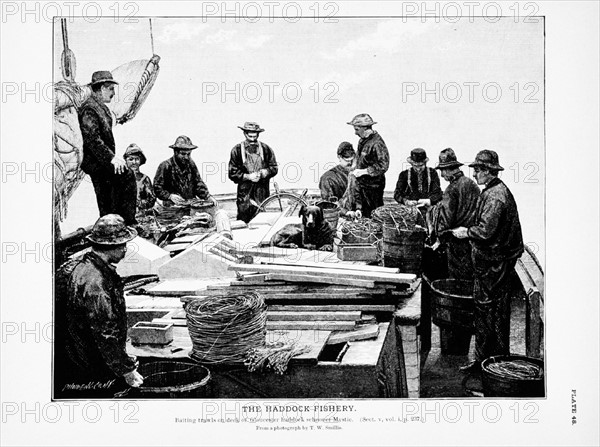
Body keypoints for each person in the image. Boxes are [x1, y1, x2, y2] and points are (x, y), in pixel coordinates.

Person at [55, 214, 144, 398]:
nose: (126, 249)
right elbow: (106, 331)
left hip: (75, 361)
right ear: (111, 246)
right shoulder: (96, 282)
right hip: (88, 368)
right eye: (123, 244)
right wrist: (126, 370)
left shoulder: (81, 266)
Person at [452, 150, 524, 373]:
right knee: (490, 313)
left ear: (488, 171)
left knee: (488, 313)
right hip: (493, 264)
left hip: (494, 266)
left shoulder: (495, 197)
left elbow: (485, 232)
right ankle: (488, 361)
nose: (474, 175)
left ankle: (490, 364)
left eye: (477, 170)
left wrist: (466, 232)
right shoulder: (493, 191)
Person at [78, 71, 137, 225]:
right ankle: (123, 224)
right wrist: (111, 158)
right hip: (97, 163)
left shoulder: (101, 108)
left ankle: (120, 224)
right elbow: (92, 140)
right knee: (121, 182)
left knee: (112, 193)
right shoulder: (89, 109)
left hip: (103, 162)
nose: (113, 93)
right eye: (110, 88)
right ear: (102, 88)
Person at [427, 148, 480, 279]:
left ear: (448, 169)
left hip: (456, 244)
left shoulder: (451, 190)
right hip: (473, 241)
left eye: (442, 171)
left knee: (456, 278)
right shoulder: (471, 184)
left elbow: (445, 220)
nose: (442, 175)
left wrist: (437, 237)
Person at [228, 122, 279, 223]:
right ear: (245, 134)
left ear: (258, 134)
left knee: (262, 219)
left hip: (262, 192)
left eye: (254, 136)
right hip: (245, 194)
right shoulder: (237, 150)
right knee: (243, 221)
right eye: (249, 136)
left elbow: (274, 168)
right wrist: (247, 176)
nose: (252, 139)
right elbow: (232, 173)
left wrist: (265, 172)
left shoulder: (266, 149)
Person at [347, 114, 390, 218]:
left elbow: (384, 165)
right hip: (361, 186)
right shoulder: (362, 141)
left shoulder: (377, 143)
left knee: (374, 216)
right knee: (361, 215)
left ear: (365, 128)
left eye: (357, 129)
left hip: (373, 188)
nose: (355, 133)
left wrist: (363, 172)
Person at [154, 135, 211, 206]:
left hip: (191, 205)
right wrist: (169, 196)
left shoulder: (191, 164)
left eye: (189, 154)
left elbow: (198, 183)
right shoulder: (165, 165)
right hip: (172, 207)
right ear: (175, 152)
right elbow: (157, 187)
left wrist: (207, 196)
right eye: (183, 154)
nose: (186, 157)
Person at [394, 148, 443, 217]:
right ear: (411, 164)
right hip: (409, 212)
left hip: (429, 210)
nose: (418, 169)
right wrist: (406, 201)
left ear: (425, 163)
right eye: (415, 166)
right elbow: (397, 194)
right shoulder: (404, 175)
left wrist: (429, 201)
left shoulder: (432, 173)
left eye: (421, 166)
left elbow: (438, 193)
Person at [124, 143, 156, 218]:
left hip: (141, 215)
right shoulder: (121, 179)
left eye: (137, 159)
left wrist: (140, 203)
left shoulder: (145, 179)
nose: (134, 162)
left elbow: (151, 199)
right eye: (131, 159)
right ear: (126, 160)